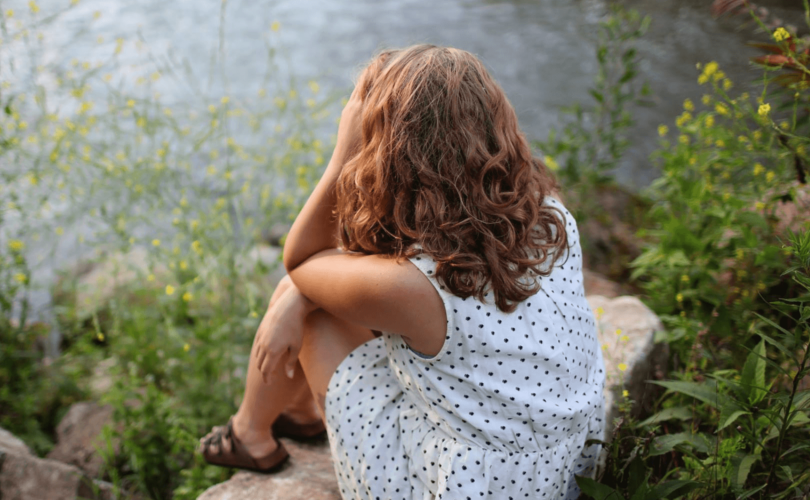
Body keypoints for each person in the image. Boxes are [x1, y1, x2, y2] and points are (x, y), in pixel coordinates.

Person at [199, 44, 605, 499]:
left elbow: (301, 261)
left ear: (390, 153)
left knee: (310, 306)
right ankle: (291, 418)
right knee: (314, 290)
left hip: (469, 485)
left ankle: (250, 434)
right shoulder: (549, 215)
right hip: (558, 461)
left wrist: (342, 153)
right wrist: (304, 288)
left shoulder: (412, 288)